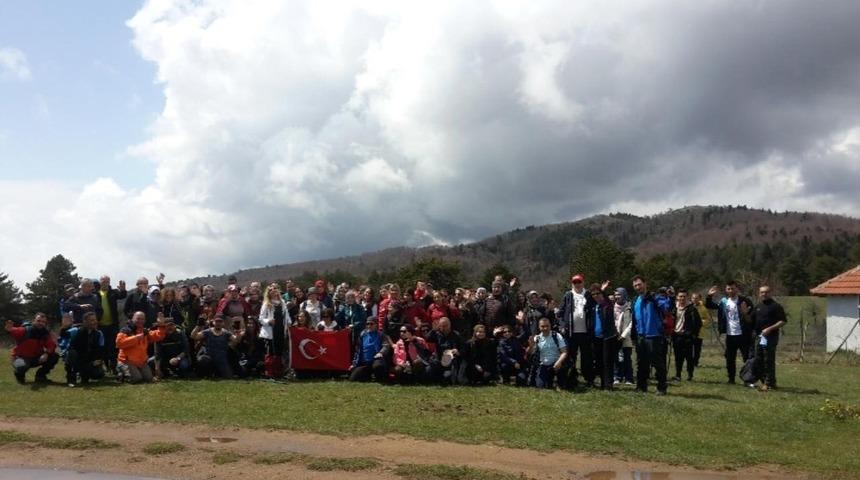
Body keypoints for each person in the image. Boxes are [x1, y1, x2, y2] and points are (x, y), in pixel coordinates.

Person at [706, 281, 755, 385]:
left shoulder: (745, 301)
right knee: (729, 358)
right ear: (726, 290)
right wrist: (709, 296)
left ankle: (748, 379)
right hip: (730, 335)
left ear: (737, 289)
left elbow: (752, 317)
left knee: (747, 358)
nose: (731, 291)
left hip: (743, 334)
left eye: (733, 288)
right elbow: (709, 305)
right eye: (728, 289)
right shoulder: (724, 301)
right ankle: (731, 379)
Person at [631, 275, 670, 395]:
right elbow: (634, 319)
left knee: (657, 363)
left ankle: (661, 387)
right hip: (640, 336)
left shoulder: (655, 297)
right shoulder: (635, 300)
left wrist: (670, 297)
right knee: (641, 363)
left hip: (654, 336)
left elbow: (666, 308)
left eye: (639, 284)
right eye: (635, 286)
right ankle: (641, 387)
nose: (638, 287)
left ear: (645, 283)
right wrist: (634, 335)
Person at [558, 274, 597, 389]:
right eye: (575, 282)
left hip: (586, 332)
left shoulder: (588, 295)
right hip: (571, 333)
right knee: (571, 357)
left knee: (587, 358)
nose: (577, 284)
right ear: (572, 284)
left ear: (583, 282)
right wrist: (562, 326)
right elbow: (560, 313)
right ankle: (571, 379)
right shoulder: (568, 295)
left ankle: (589, 379)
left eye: (579, 282)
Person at [6, 313, 59, 384]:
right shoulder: (24, 330)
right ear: (33, 321)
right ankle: (19, 376)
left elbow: (51, 345)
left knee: (54, 356)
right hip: (21, 358)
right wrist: (9, 330)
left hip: (36, 358)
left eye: (43, 322)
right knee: (21, 366)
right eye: (38, 321)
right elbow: (14, 331)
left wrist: (46, 353)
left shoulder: (45, 333)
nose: (41, 323)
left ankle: (40, 376)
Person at [116, 311, 168, 384]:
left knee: (149, 378)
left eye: (142, 319)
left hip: (141, 362)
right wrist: (136, 337)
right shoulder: (125, 330)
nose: (140, 321)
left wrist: (161, 325)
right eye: (138, 318)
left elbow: (158, 336)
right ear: (132, 319)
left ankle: (135, 372)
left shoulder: (144, 331)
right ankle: (121, 373)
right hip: (126, 361)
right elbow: (119, 344)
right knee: (137, 379)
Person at [752, 285, 787, 391]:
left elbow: (783, 321)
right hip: (759, 337)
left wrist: (770, 329)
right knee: (759, 359)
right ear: (759, 293)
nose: (764, 294)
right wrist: (744, 313)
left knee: (768, 360)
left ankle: (769, 383)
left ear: (770, 293)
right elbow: (751, 320)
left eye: (766, 292)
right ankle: (764, 381)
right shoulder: (758, 306)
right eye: (762, 292)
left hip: (770, 337)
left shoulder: (776, 306)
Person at [60, 311, 105, 387]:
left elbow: (101, 350)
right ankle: (71, 377)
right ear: (85, 321)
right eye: (92, 320)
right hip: (76, 358)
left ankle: (84, 375)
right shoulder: (76, 330)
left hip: (89, 360)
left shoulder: (99, 334)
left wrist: (98, 361)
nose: (95, 322)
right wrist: (64, 327)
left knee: (99, 374)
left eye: (95, 320)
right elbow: (64, 335)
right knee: (72, 353)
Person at [192, 314, 243, 379]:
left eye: (220, 321)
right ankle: (207, 374)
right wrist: (198, 325)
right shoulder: (207, 332)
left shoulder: (226, 333)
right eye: (217, 321)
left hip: (221, 360)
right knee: (202, 360)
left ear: (223, 323)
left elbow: (236, 340)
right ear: (213, 322)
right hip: (209, 358)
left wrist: (238, 331)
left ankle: (216, 373)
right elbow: (193, 336)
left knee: (229, 376)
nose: (218, 323)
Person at [526, 317, 568, 389]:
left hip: (556, 364)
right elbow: (529, 353)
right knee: (540, 386)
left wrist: (559, 362)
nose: (545, 328)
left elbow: (564, 352)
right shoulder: (537, 338)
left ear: (550, 326)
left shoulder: (557, 336)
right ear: (539, 327)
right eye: (542, 326)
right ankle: (549, 381)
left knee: (562, 375)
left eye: (547, 326)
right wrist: (530, 346)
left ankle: (560, 383)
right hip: (543, 365)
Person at [96, 275, 126, 373]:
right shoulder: (96, 294)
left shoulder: (113, 292)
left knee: (113, 346)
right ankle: (105, 365)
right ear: (100, 282)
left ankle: (114, 366)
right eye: (103, 281)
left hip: (113, 324)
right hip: (100, 325)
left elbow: (122, 295)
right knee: (103, 346)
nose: (105, 282)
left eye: (107, 281)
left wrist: (123, 289)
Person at [259, 284, 289, 379]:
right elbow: (261, 318)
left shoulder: (282, 303)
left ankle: (278, 372)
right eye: (271, 290)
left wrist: (289, 323)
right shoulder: (266, 304)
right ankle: (269, 372)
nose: (273, 291)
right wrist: (268, 321)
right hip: (271, 330)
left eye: (275, 289)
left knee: (279, 351)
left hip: (280, 329)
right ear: (268, 293)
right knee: (271, 352)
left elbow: (286, 316)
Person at [671, 289, 702, 382]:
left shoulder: (692, 309)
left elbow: (698, 323)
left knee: (689, 357)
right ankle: (678, 375)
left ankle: (690, 375)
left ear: (687, 297)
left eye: (684, 296)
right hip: (676, 336)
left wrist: (692, 335)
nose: (682, 298)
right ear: (677, 297)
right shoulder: (674, 307)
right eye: (680, 296)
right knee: (678, 357)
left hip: (687, 337)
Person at [592, 285, 619, 390]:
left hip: (608, 337)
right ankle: (603, 383)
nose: (595, 296)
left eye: (597, 294)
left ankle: (609, 385)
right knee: (599, 362)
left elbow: (607, 300)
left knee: (608, 361)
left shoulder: (607, 305)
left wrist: (602, 289)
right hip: (597, 337)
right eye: (593, 294)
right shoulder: (594, 306)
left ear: (602, 294)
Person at [349, 318, 392, 383]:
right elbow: (357, 350)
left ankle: (380, 379)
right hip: (365, 362)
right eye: (367, 324)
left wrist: (381, 352)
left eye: (371, 324)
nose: (369, 326)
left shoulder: (381, 334)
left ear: (376, 325)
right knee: (353, 378)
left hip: (376, 360)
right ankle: (368, 376)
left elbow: (386, 345)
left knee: (378, 366)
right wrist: (354, 364)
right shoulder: (362, 334)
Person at [427, 317, 464, 385]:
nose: (443, 328)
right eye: (441, 326)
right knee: (428, 370)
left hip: (450, 362)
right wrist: (433, 330)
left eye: (445, 326)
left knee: (447, 377)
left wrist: (457, 351)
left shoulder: (456, 335)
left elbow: (462, 349)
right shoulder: (437, 334)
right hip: (439, 360)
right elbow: (428, 339)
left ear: (449, 325)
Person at [613, 287, 635, 385]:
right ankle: (617, 377)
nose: (617, 296)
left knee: (627, 358)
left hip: (626, 337)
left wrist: (624, 335)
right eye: (616, 294)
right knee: (616, 358)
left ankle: (629, 378)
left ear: (624, 295)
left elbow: (632, 323)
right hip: (615, 336)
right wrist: (615, 333)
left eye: (619, 294)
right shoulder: (612, 307)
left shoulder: (629, 307)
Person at [690, 292, 712, 367]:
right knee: (689, 348)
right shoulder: (689, 307)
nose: (694, 300)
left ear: (700, 299)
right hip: (689, 331)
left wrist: (701, 322)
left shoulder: (703, 308)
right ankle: (690, 362)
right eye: (693, 298)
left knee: (697, 348)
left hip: (699, 331)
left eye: (696, 298)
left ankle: (695, 363)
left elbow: (708, 319)